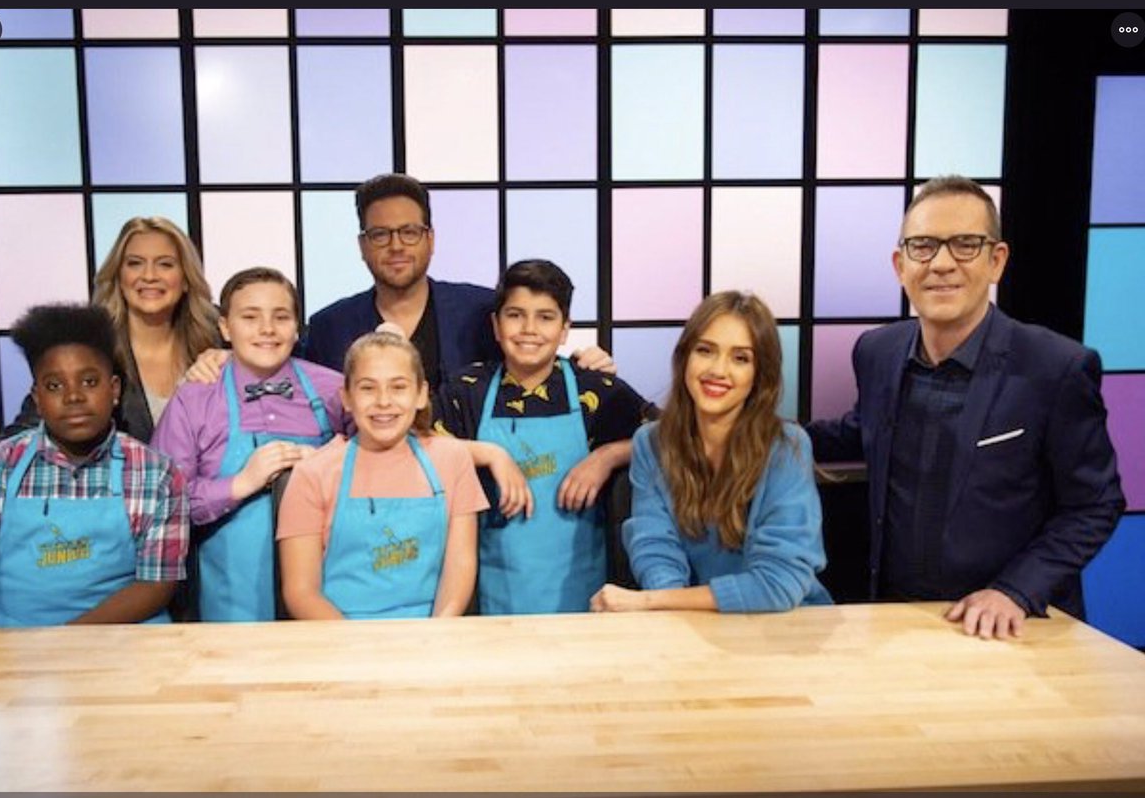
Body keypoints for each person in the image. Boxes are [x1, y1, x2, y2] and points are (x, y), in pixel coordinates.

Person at [806, 175, 1125, 640]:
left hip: (1008, 627)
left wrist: (1015, 591)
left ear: (997, 261)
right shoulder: (876, 351)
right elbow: (864, 430)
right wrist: (753, 431)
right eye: (923, 246)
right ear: (900, 264)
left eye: (965, 245)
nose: (941, 263)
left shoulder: (1056, 367)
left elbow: (1095, 504)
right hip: (893, 619)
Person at [184, 173, 614, 396]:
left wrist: (581, 363)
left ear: (430, 239)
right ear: (362, 245)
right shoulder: (330, 325)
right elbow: (276, 365)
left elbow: (530, 354)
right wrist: (224, 357)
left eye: (409, 232)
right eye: (380, 234)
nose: (395, 246)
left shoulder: (479, 309)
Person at [0, 304, 189, 627]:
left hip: (120, 639)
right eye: (54, 386)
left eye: (89, 381)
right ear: (37, 399)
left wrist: (64, 641)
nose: (74, 397)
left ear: (114, 390)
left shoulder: (157, 474)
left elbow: (157, 586)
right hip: (6, 638)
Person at [590, 291, 831, 614]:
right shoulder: (652, 442)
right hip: (690, 619)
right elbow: (655, 548)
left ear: (760, 374)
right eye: (705, 350)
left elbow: (778, 584)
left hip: (786, 624)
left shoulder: (786, 446)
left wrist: (651, 602)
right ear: (685, 357)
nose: (718, 370)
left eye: (740, 358)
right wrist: (675, 615)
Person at [438, 259, 656, 614]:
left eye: (545, 317)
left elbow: (672, 435)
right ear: (496, 325)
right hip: (492, 599)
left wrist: (607, 456)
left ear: (565, 329)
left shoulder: (596, 388)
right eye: (515, 315)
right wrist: (491, 454)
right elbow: (420, 446)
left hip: (586, 598)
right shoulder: (467, 390)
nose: (529, 329)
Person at [0, 215, 220, 492]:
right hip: (119, 504)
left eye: (165, 264)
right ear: (118, 276)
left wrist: (229, 358)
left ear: (186, 278)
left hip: (211, 505)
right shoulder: (86, 346)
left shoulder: (221, 337)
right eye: (135, 263)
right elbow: (34, 423)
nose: (149, 276)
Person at [150, 268, 347, 622]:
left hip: (328, 600)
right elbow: (161, 504)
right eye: (250, 317)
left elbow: (383, 465)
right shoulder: (194, 399)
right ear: (225, 328)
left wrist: (328, 462)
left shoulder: (334, 388)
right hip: (229, 610)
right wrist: (240, 484)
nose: (267, 329)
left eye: (281, 317)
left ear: (297, 328)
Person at [277, 330, 485, 620]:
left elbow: (460, 566)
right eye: (368, 388)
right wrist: (358, 643)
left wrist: (437, 634)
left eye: (398, 387)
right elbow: (301, 592)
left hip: (433, 633)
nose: (383, 401)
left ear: (421, 394)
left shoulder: (452, 460)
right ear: (346, 398)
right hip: (340, 635)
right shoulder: (312, 474)